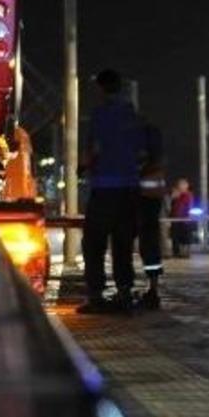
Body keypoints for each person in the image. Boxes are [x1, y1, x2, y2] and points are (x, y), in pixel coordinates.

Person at [78, 69, 142, 314]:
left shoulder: (101, 114)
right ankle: (124, 293)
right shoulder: (132, 115)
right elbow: (141, 149)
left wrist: (82, 167)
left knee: (94, 243)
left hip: (105, 187)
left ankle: (96, 296)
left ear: (102, 88)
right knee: (123, 243)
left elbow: (94, 146)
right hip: (129, 188)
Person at [135, 121, 166, 309]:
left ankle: (152, 290)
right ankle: (152, 289)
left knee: (148, 247)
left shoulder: (150, 166)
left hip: (145, 208)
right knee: (149, 247)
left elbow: (149, 189)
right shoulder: (153, 164)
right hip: (147, 208)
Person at [168, 178, 195, 258]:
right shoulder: (174, 194)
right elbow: (170, 204)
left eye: (183, 184)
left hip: (185, 219)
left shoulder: (188, 195)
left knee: (185, 236)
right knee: (175, 236)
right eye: (180, 184)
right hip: (175, 218)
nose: (181, 186)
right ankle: (176, 252)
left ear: (187, 186)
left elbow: (188, 206)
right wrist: (173, 196)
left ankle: (185, 252)